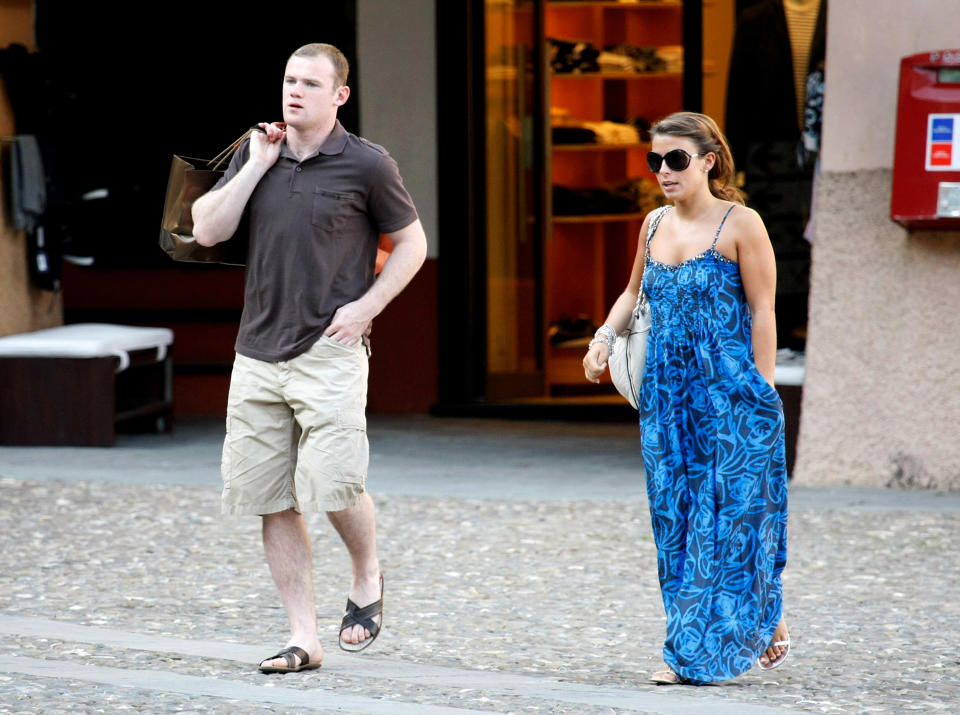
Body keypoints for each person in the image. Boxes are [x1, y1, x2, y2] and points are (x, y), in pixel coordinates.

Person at [191, 43, 426, 673]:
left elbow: (411, 243)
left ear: (339, 95)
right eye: (290, 80)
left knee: (335, 486)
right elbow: (206, 229)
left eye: (311, 83)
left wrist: (368, 307)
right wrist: (255, 165)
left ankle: (366, 570)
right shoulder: (256, 151)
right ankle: (304, 636)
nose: (295, 92)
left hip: (330, 348)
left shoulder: (367, 164)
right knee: (271, 498)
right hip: (257, 353)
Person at [583, 112, 789, 685]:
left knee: (735, 514)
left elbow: (764, 309)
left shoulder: (742, 223)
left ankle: (702, 647)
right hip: (667, 397)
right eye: (655, 161)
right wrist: (603, 338)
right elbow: (632, 293)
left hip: (728, 390)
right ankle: (737, 621)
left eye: (676, 159)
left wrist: (763, 389)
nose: (664, 171)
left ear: (708, 161)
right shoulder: (652, 225)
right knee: (676, 519)